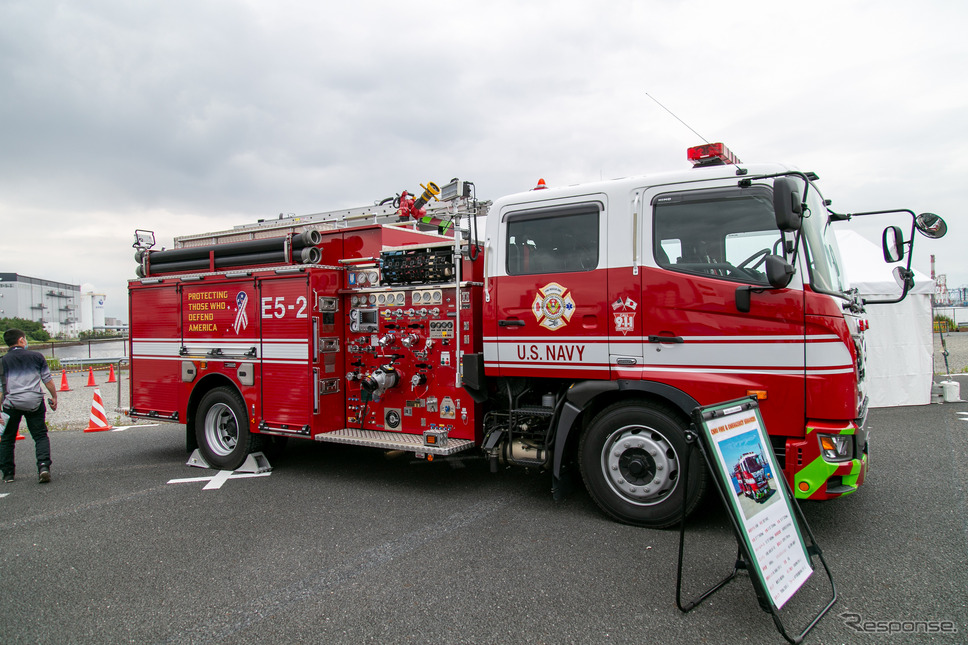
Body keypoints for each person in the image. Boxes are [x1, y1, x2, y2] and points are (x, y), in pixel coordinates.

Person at [0, 329, 58, 483]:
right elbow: (47, 380)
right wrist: (54, 396)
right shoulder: (36, 357)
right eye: (25, 339)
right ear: (21, 340)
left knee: (7, 438)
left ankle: (8, 474)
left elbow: (1, 388)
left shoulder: (2, 361)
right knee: (39, 435)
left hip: (11, 403)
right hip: (34, 401)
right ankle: (43, 467)